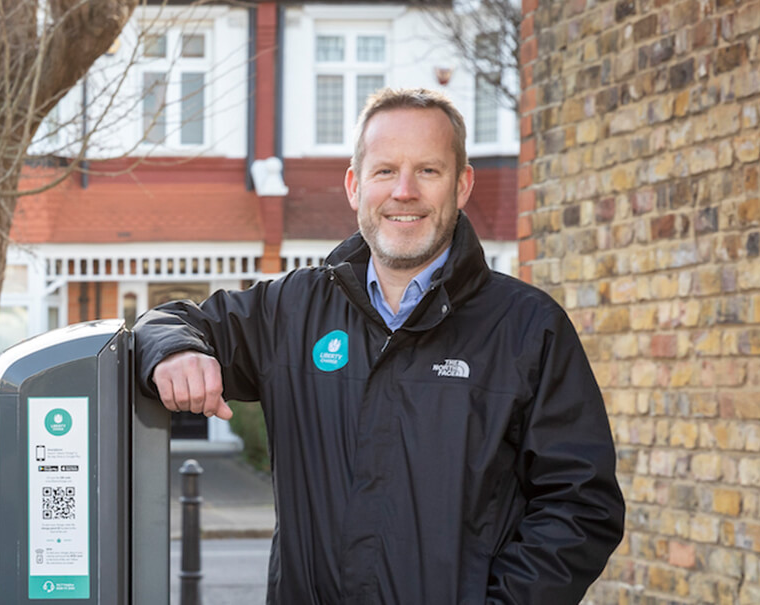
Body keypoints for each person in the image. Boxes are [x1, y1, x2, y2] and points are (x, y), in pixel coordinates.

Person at [135, 88, 625, 604]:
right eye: (385, 170)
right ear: (355, 185)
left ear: (462, 186)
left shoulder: (528, 327)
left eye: (428, 171)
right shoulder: (292, 310)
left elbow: (581, 504)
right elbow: (163, 321)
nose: (404, 191)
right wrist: (174, 349)